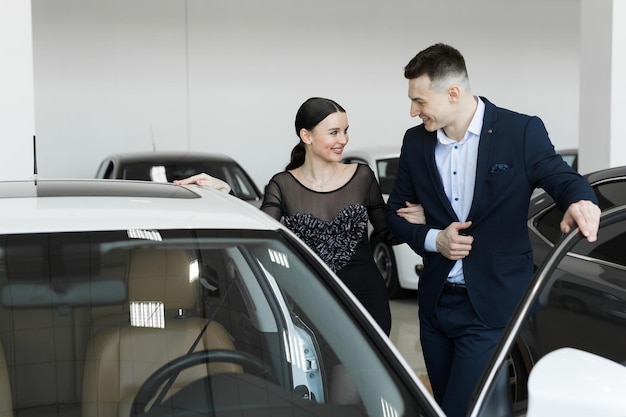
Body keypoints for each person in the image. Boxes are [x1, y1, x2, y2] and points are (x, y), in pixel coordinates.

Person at [385, 43, 600, 417]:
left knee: (459, 410)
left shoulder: (520, 131)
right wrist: (435, 238)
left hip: (491, 305)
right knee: (443, 404)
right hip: (435, 305)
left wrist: (581, 200)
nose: (412, 111)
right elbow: (395, 214)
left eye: (419, 101)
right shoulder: (415, 141)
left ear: (453, 93)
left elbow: (561, 177)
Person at [175, 97, 424, 335]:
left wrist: (418, 220)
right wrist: (228, 193)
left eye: (345, 130)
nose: (343, 140)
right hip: (311, 300)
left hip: (367, 298)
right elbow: (258, 233)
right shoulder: (283, 185)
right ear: (306, 136)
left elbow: (388, 233)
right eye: (334, 132)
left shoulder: (362, 177)